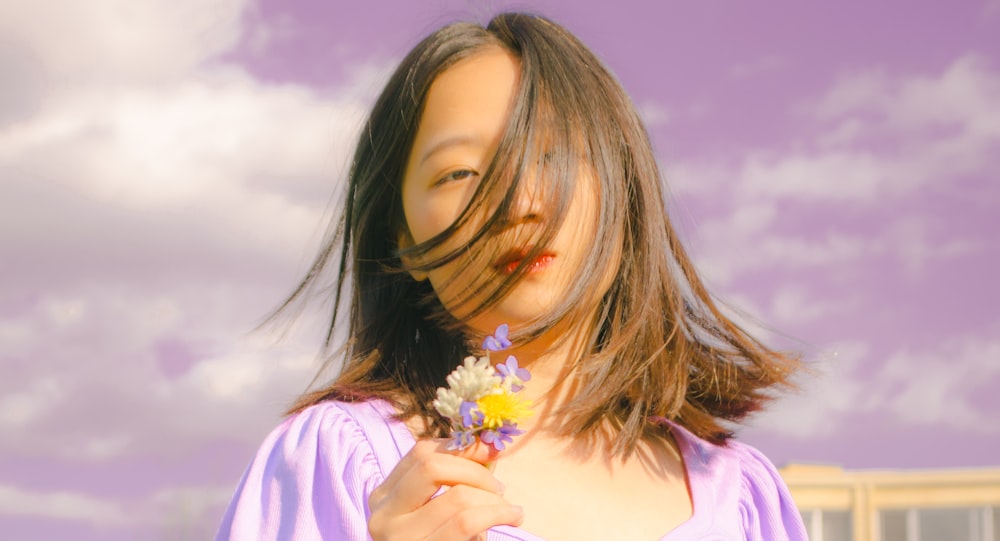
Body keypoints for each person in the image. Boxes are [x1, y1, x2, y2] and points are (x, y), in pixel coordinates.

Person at [216, 12, 807, 541]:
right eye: (461, 172)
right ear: (403, 238)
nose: (518, 202)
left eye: (551, 156)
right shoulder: (344, 462)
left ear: (622, 189)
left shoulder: (741, 498)